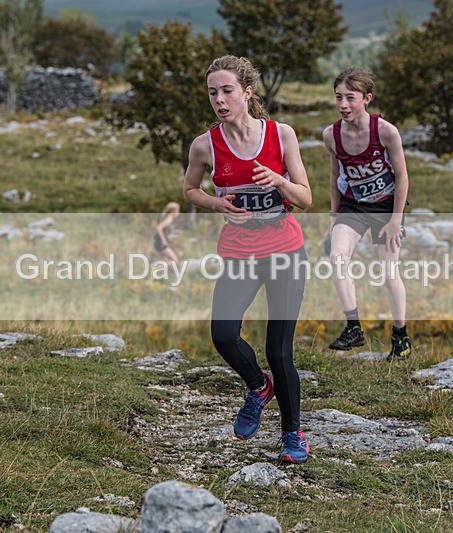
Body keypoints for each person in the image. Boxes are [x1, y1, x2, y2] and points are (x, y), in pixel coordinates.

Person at [182, 55, 313, 463]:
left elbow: (306, 199)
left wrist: (279, 181)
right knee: (222, 335)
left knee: (280, 352)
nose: (219, 100)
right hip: (239, 250)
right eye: (212, 93)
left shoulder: (281, 135)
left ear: (247, 92)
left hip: (284, 251)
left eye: (227, 91)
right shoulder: (205, 145)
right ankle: (258, 387)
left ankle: (292, 434)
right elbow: (190, 190)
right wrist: (217, 202)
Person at [322, 67, 412, 358]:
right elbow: (336, 176)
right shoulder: (331, 135)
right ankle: (353, 328)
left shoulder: (385, 131)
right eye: (338, 98)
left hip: (386, 208)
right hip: (353, 206)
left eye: (350, 98)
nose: (343, 105)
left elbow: (402, 176)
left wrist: (396, 221)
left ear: (367, 98)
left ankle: (401, 338)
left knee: (388, 274)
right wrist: (333, 219)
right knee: (336, 257)